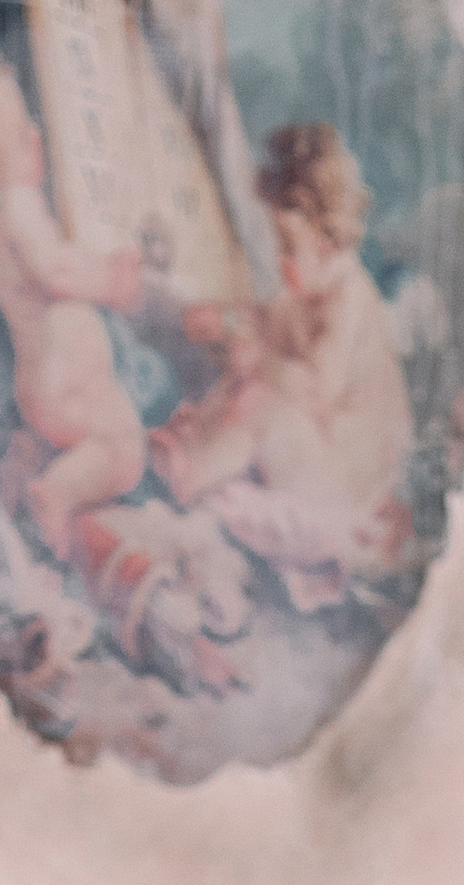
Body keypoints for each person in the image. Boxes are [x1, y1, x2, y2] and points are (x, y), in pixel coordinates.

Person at [154, 126, 411, 609]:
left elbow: (315, 388)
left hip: (345, 473)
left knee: (262, 400)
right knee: (247, 385)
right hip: (314, 449)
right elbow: (266, 320)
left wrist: (258, 357)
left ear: (330, 241)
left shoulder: (350, 299)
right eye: (279, 245)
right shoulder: (306, 289)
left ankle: (189, 472)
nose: (282, 261)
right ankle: (194, 446)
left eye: (290, 247)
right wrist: (226, 320)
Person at [0, 49, 147, 564]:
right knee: (124, 447)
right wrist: (112, 278)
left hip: (44, 388)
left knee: (51, 443)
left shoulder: (12, 213)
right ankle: (56, 497)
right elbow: (58, 271)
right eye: (22, 131)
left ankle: (18, 488)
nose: (36, 136)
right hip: (64, 386)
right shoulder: (18, 209)